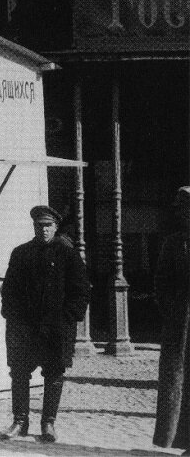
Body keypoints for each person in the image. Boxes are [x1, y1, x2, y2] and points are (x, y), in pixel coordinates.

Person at [0, 205, 90, 443]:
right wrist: (13, 318)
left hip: (55, 328)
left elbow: (81, 291)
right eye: (40, 226)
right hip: (24, 328)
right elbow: (9, 290)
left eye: (48, 226)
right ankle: (20, 421)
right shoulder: (20, 253)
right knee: (19, 373)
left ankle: (48, 423)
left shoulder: (68, 255)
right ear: (33, 227)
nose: (44, 230)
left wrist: (68, 318)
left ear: (56, 227)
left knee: (54, 373)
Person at [153, 186, 190, 454]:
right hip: (181, 324)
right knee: (178, 382)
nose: (183, 215)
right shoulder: (173, 243)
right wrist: (173, 312)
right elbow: (161, 283)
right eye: (181, 210)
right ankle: (182, 441)